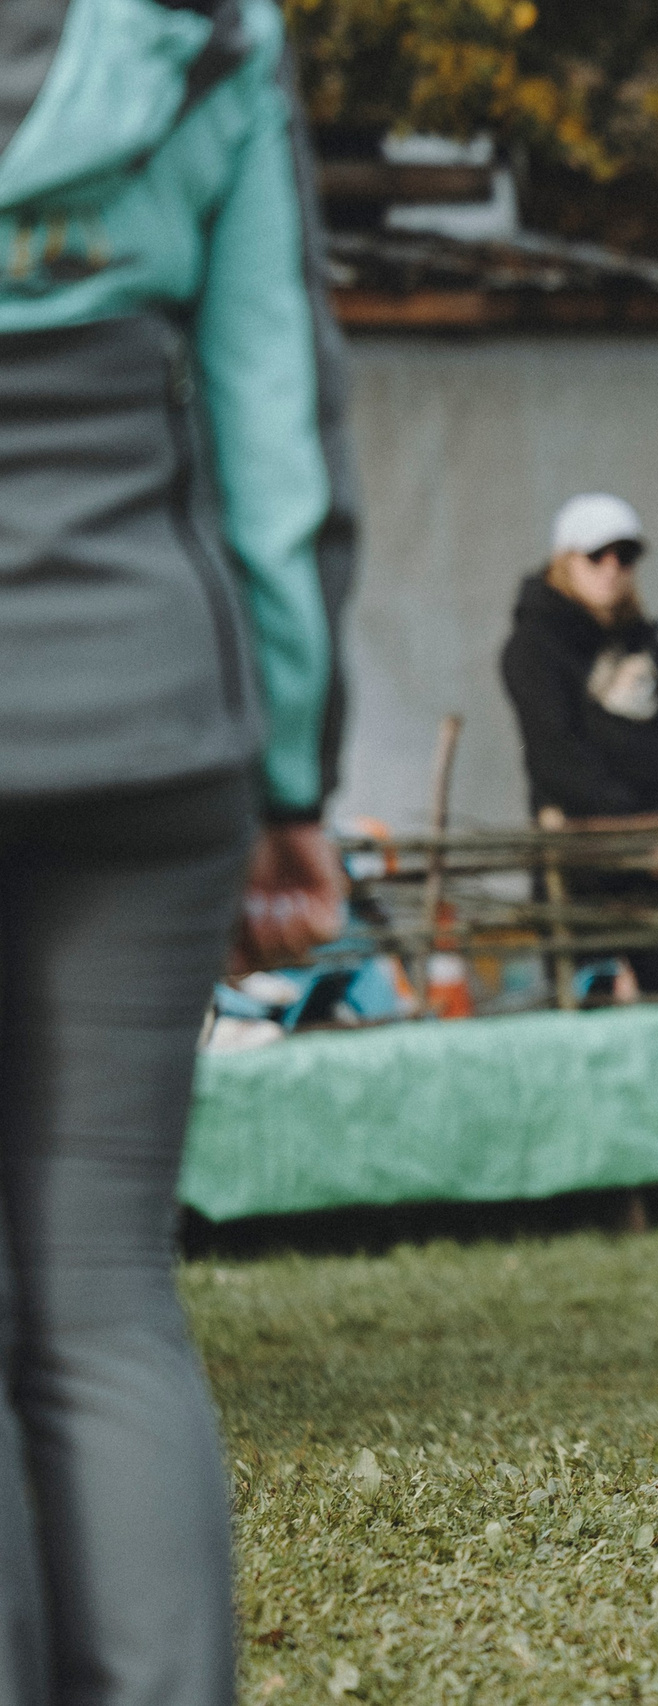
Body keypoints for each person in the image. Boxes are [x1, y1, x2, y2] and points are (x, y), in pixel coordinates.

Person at [0, 2, 358, 1698]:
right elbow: (272, 434)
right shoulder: (203, 38)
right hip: (148, 711)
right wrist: (290, 774)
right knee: (99, 1286)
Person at [500, 494, 658, 993]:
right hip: (584, 870)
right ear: (565, 562)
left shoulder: (646, 643)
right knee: (590, 1026)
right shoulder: (533, 648)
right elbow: (558, 761)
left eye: (626, 556)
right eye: (597, 556)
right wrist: (640, 837)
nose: (612, 569)